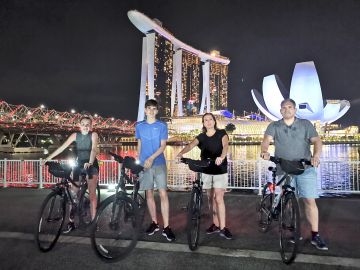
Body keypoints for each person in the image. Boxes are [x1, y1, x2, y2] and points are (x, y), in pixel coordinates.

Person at [260, 98, 328, 250]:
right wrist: (264, 151)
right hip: (284, 167)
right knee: (288, 201)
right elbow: (266, 141)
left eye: (290, 107)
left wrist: (316, 156)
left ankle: (315, 235)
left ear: (295, 110)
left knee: (309, 201)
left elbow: (317, 141)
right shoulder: (274, 125)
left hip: (305, 167)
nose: (287, 110)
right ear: (280, 110)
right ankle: (292, 230)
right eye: (284, 107)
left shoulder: (305, 124)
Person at [176, 112, 233, 240]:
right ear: (203, 123)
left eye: (210, 119)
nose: (208, 122)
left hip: (219, 169)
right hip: (206, 169)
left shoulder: (222, 133)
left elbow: (225, 146)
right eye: (205, 120)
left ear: (214, 121)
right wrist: (180, 153)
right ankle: (215, 224)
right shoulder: (201, 136)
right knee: (210, 199)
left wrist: (222, 157)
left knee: (219, 198)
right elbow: (190, 145)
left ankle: (223, 228)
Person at [44, 115, 99, 233]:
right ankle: (71, 222)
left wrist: (90, 162)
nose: (85, 126)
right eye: (83, 124)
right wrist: (48, 157)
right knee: (74, 193)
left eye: (87, 124)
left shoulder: (93, 135)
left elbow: (94, 149)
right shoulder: (75, 135)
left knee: (92, 195)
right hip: (79, 164)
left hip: (91, 165)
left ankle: (94, 222)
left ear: (91, 126)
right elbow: (62, 147)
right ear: (79, 125)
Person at [135, 99, 176, 242]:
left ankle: (167, 227)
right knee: (149, 194)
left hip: (158, 163)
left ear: (157, 111)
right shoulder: (139, 126)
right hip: (144, 165)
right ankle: (154, 222)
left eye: (154, 108)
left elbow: (163, 146)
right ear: (145, 110)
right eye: (149, 108)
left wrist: (151, 158)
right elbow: (139, 145)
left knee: (163, 193)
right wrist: (139, 160)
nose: (151, 111)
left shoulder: (162, 125)